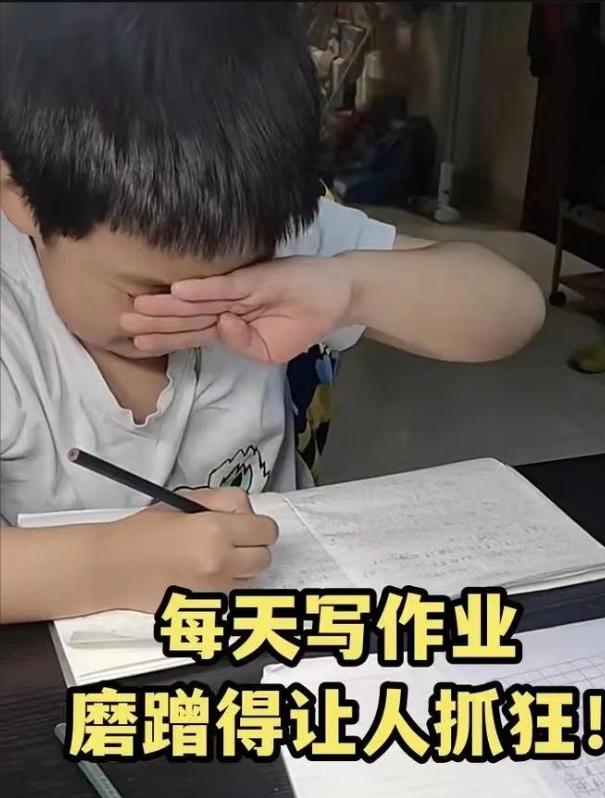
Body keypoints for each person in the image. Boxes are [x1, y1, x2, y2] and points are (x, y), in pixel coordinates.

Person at [0, 2, 545, 624]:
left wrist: (350, 288)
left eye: (233, 279)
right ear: (20, 196)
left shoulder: (267, 223)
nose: (193, 312)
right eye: (149, 288)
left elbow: (515, 308)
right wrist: (109, 565)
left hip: (279, 633)